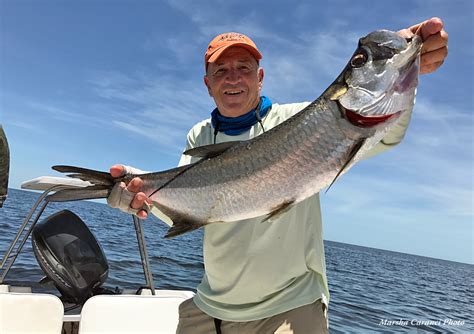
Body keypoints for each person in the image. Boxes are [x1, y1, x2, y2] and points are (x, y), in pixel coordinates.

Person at [107, 18, 448, 333]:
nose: (233, 77)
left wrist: (411, 64)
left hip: (289, 310)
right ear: (208, 84)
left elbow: (386, 134)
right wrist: (140, 197)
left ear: (260, 77)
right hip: (210, 308)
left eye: (244, 67)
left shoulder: (303, 116)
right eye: (221, 70)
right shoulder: (200, 135)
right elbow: (193, 209)